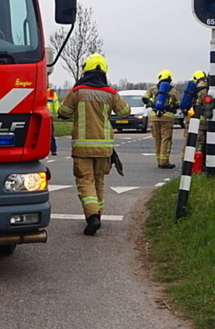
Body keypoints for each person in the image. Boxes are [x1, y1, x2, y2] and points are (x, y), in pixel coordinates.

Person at [57, 54, 130, 236]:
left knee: (85, 181)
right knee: (99, 181)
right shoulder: (111, 93)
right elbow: (125, 112)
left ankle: (92, 217)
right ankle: (99, 215)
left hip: (82, 147)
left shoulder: (77, 91)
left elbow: (63, 112)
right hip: (104, 148)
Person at [181, 71, 215, 161]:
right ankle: (194, 162)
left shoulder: (200, 86)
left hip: (191, 117)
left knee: (189, 139)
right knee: (198, 141)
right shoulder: (204, 89)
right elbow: (207, 106)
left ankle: (186, 160)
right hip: (198, 121)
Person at [143, 70, 180, 169]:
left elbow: (144, 99)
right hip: (167, 118)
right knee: (166, 140)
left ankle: (159, 161)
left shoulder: (153, 89)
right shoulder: (173, 90)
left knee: (157, 139)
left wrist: (154, 106)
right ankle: (164, 162)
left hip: (154, 118)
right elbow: (178, 103)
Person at [46, 86, 60, 155]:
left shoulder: (51, 92)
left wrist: (58, 114)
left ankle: (53, 149)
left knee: (50, 133)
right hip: (44, 115)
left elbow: (55, 103)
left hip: (48, 116)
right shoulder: (38, 90)